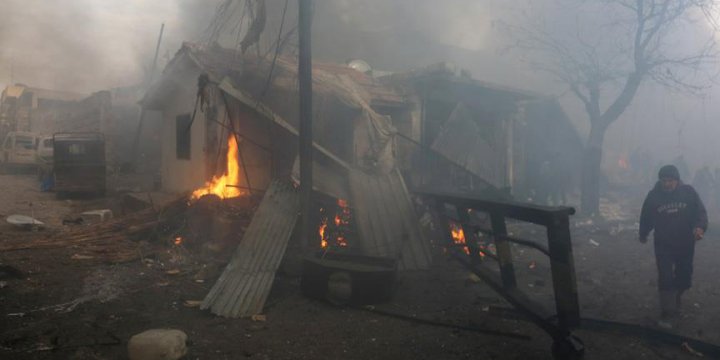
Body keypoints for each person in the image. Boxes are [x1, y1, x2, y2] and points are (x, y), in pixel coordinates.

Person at [639, 165, 707, 329]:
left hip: (685, 242)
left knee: (684, 276)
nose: (667, 184)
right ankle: (667, 312)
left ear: (677, 180)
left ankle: (676, 295)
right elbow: (646, 216)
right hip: (663, 244)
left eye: (670, 181)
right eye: (664, 181)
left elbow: (701, 213)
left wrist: (699, 227)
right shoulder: (654, 196)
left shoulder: (688, 192)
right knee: (665, 276)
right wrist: (643, 233)